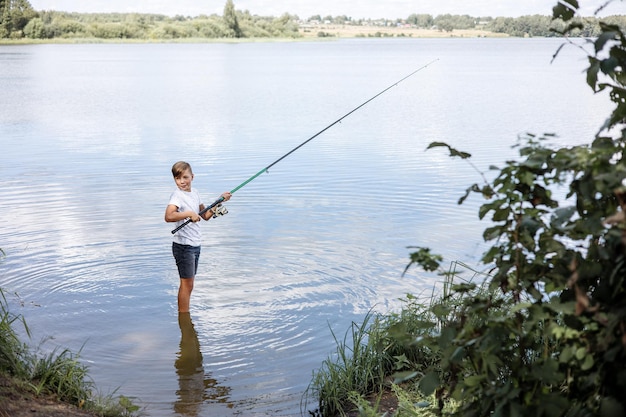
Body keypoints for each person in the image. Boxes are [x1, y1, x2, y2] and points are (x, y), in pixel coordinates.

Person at [165, 161, 231, 313]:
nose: (182, 181)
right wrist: (188, 213)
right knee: (186, 284)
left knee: (190, 284)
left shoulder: (195, 193)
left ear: (192, 177)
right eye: (178, 178)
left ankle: (185, 321)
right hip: (183, 246)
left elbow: (205, 215)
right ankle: (183, 314)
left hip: (195, 244)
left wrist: (220, 200)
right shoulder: (177, 196)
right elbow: (169, 216)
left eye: (185, 177)